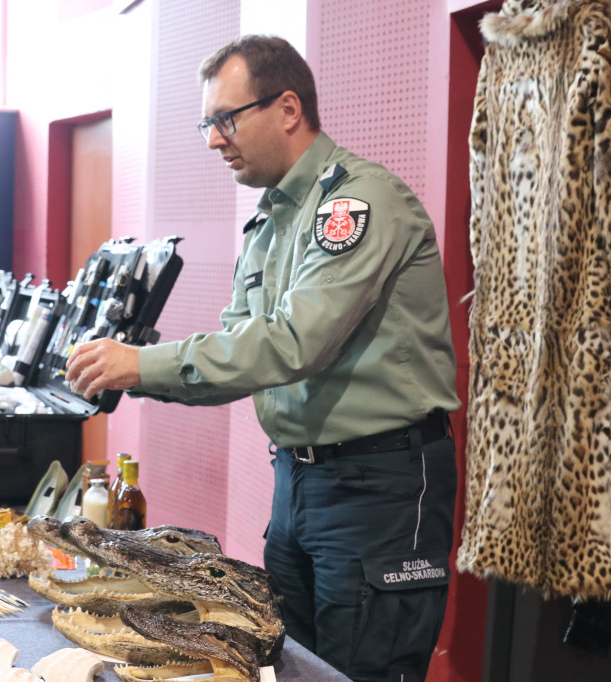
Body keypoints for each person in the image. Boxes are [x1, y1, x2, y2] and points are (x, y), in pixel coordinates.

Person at [66, 35, 460, 682]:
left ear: (286, 108)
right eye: (207, 123)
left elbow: (293, 341)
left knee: (361, 672)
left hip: (379, 488)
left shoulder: (357, 204)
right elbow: (242, 350)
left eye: (225, 119)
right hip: (299, 484)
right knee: (292, 668)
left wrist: (142, 364)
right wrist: (141, 371)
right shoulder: (271, 222)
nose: (213, 139)